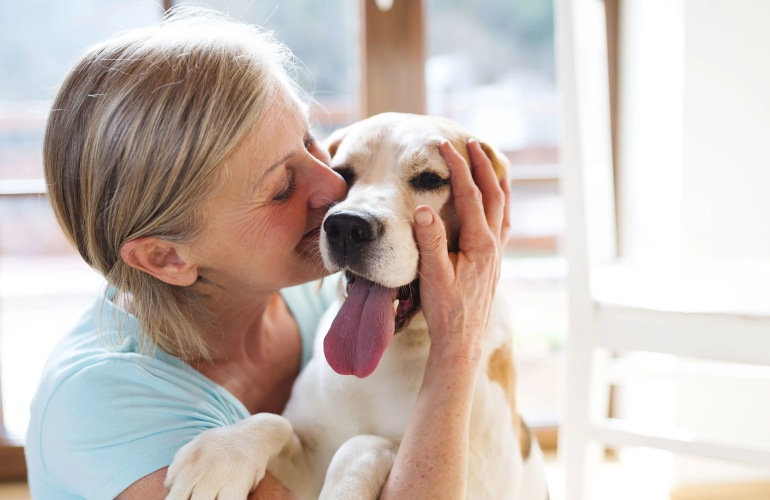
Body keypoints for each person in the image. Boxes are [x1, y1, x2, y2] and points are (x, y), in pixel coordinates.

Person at [25, 6, 511, 499]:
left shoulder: (316, 299)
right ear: (167, 258)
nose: (335, 191)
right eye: (281, 186)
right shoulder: (104, 412)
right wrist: (457, 346)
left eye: (310, 142)